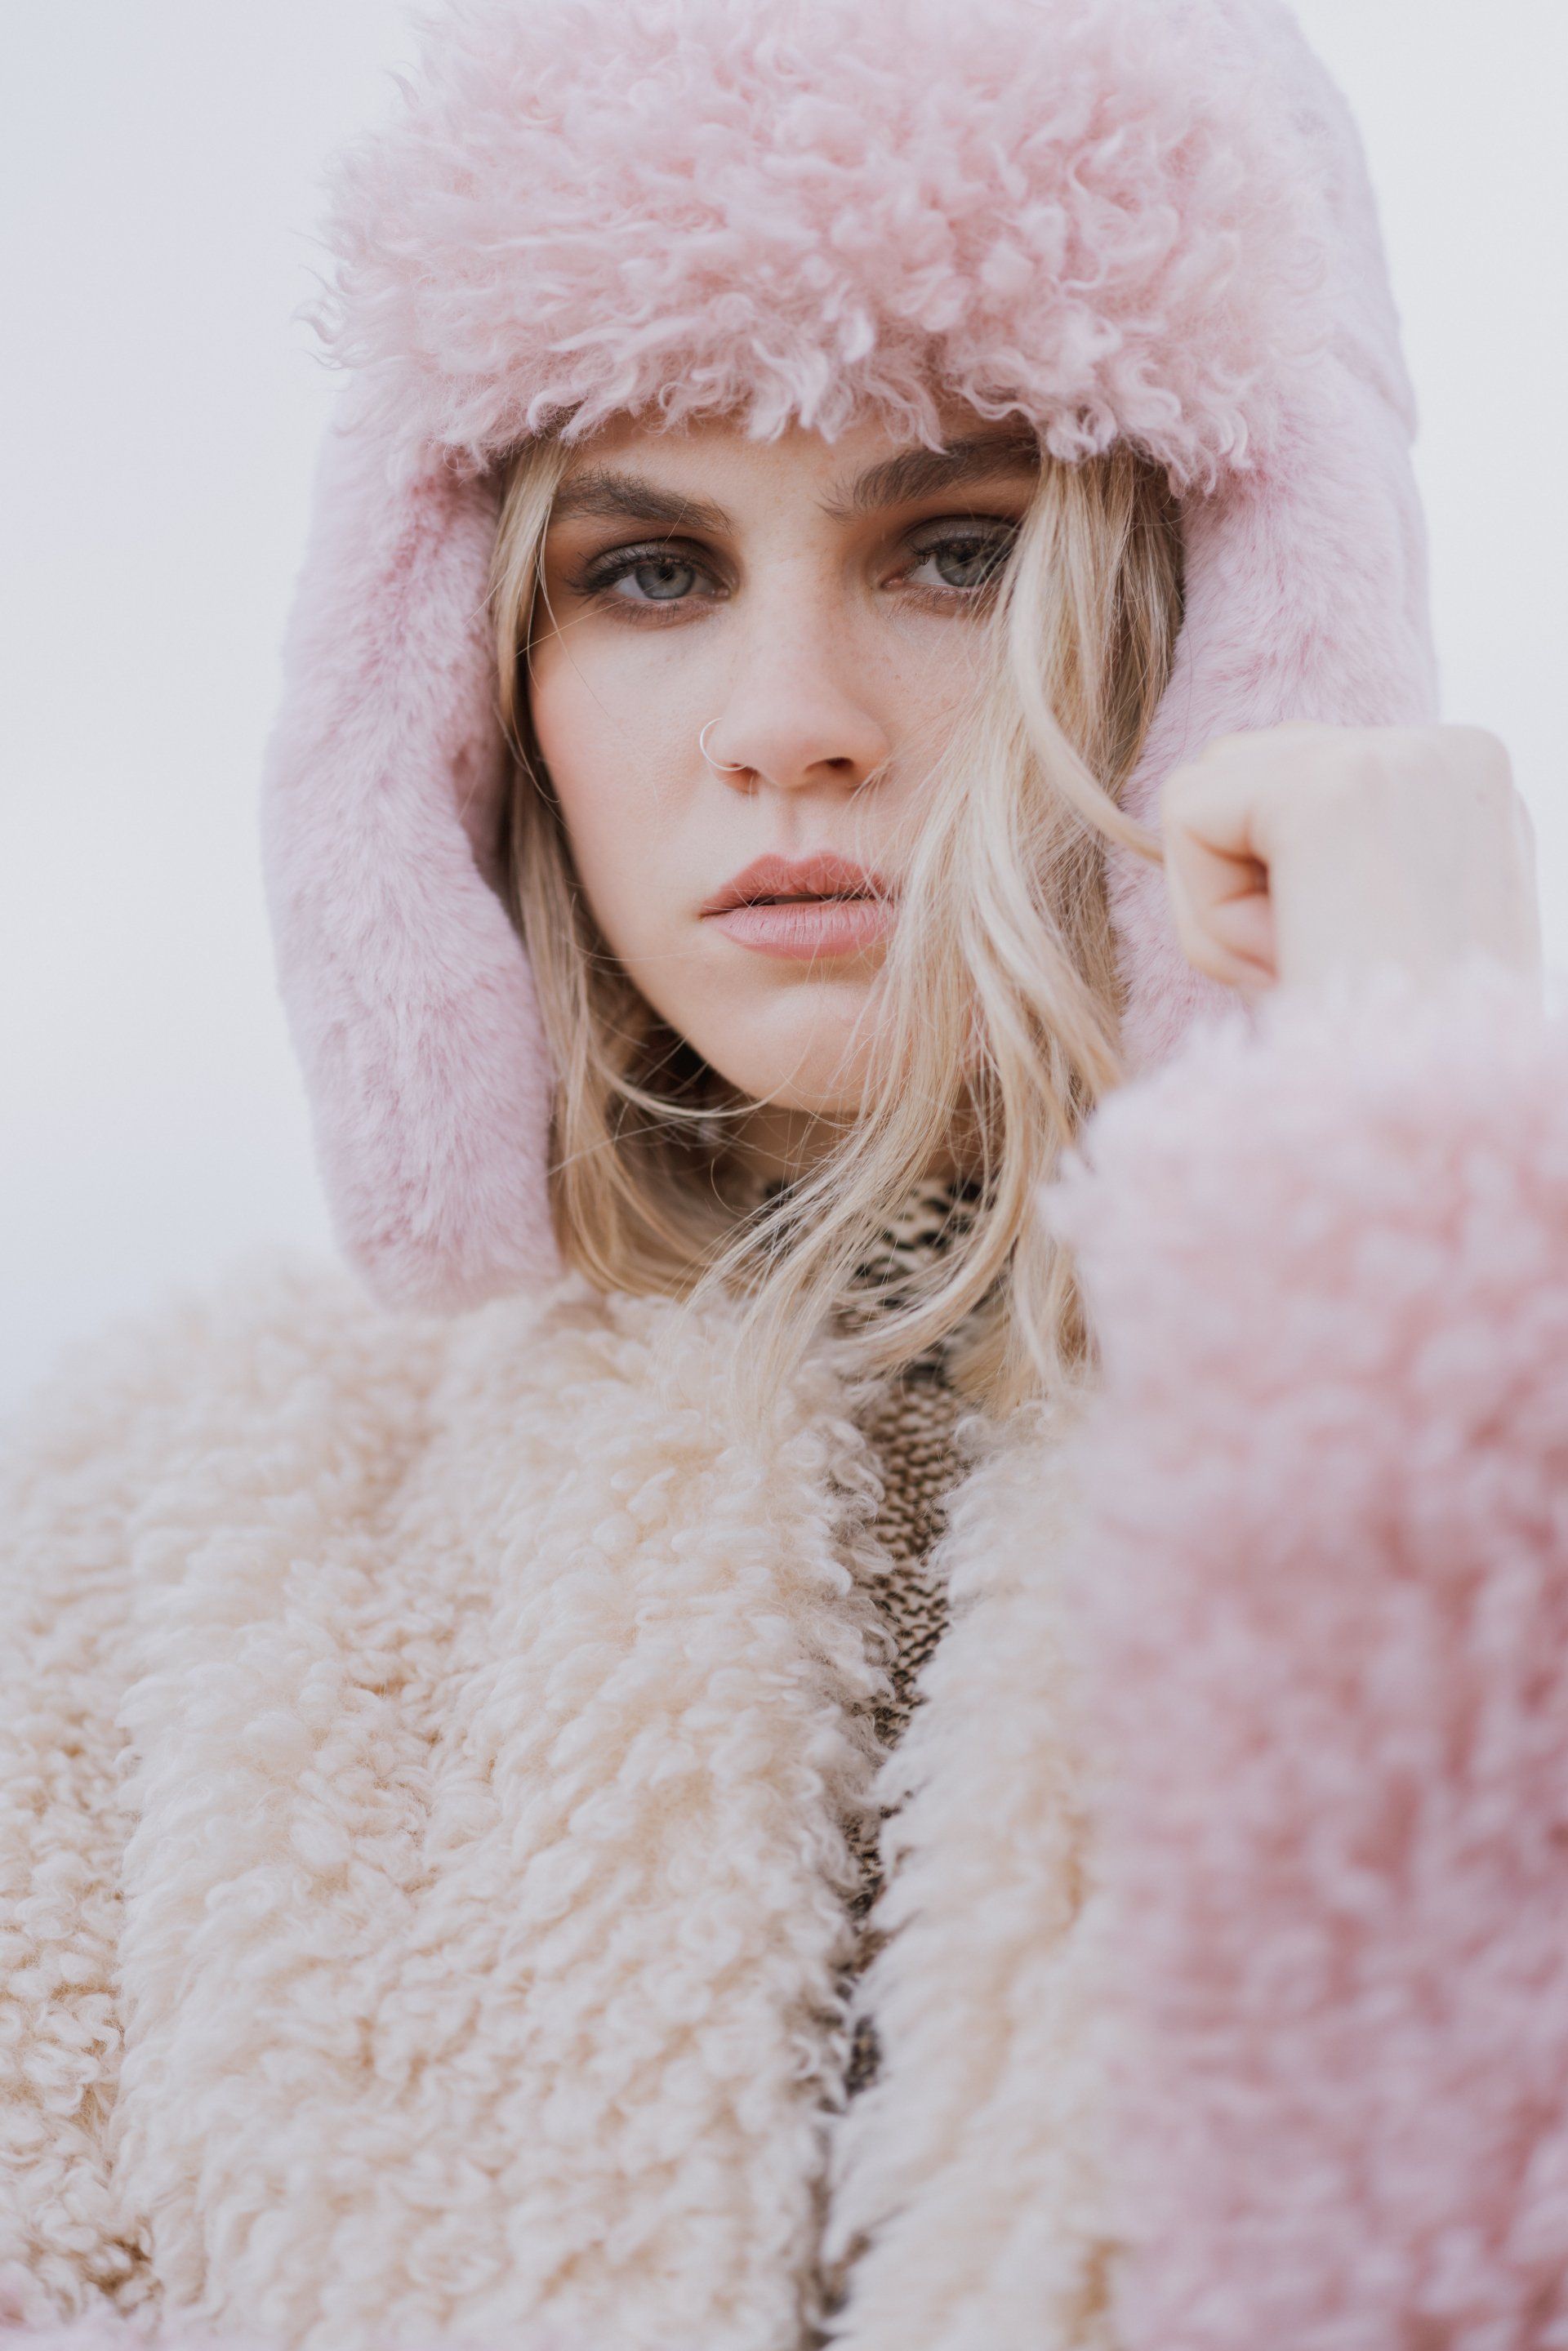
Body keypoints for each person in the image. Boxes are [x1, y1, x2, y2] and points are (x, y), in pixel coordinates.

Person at [2, 0, 1564, 2344]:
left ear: (1233, 633)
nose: (788, 727)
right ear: (459, 686)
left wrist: (1429, 1173)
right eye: (649, 571)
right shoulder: (141, 1570)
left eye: (957, 548)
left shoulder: (1505, 1404)